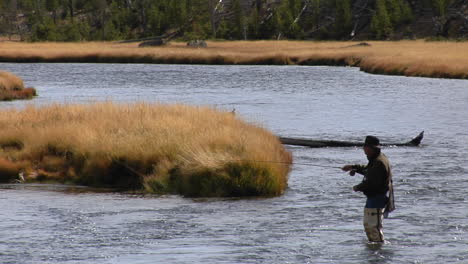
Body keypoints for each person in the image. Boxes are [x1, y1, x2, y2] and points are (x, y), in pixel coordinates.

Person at [342, 135, 395, 243]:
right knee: (369, 225)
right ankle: (374, 251)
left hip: (377, 198)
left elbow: (371, 182)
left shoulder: (379, 162)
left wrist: (357, 187)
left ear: (370, 148)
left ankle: (379, 251)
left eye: (365, 148)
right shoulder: (377, 158)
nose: (364, 151)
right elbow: (368, 171)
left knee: (373, 227)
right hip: (374, 197)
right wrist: (353, 167)